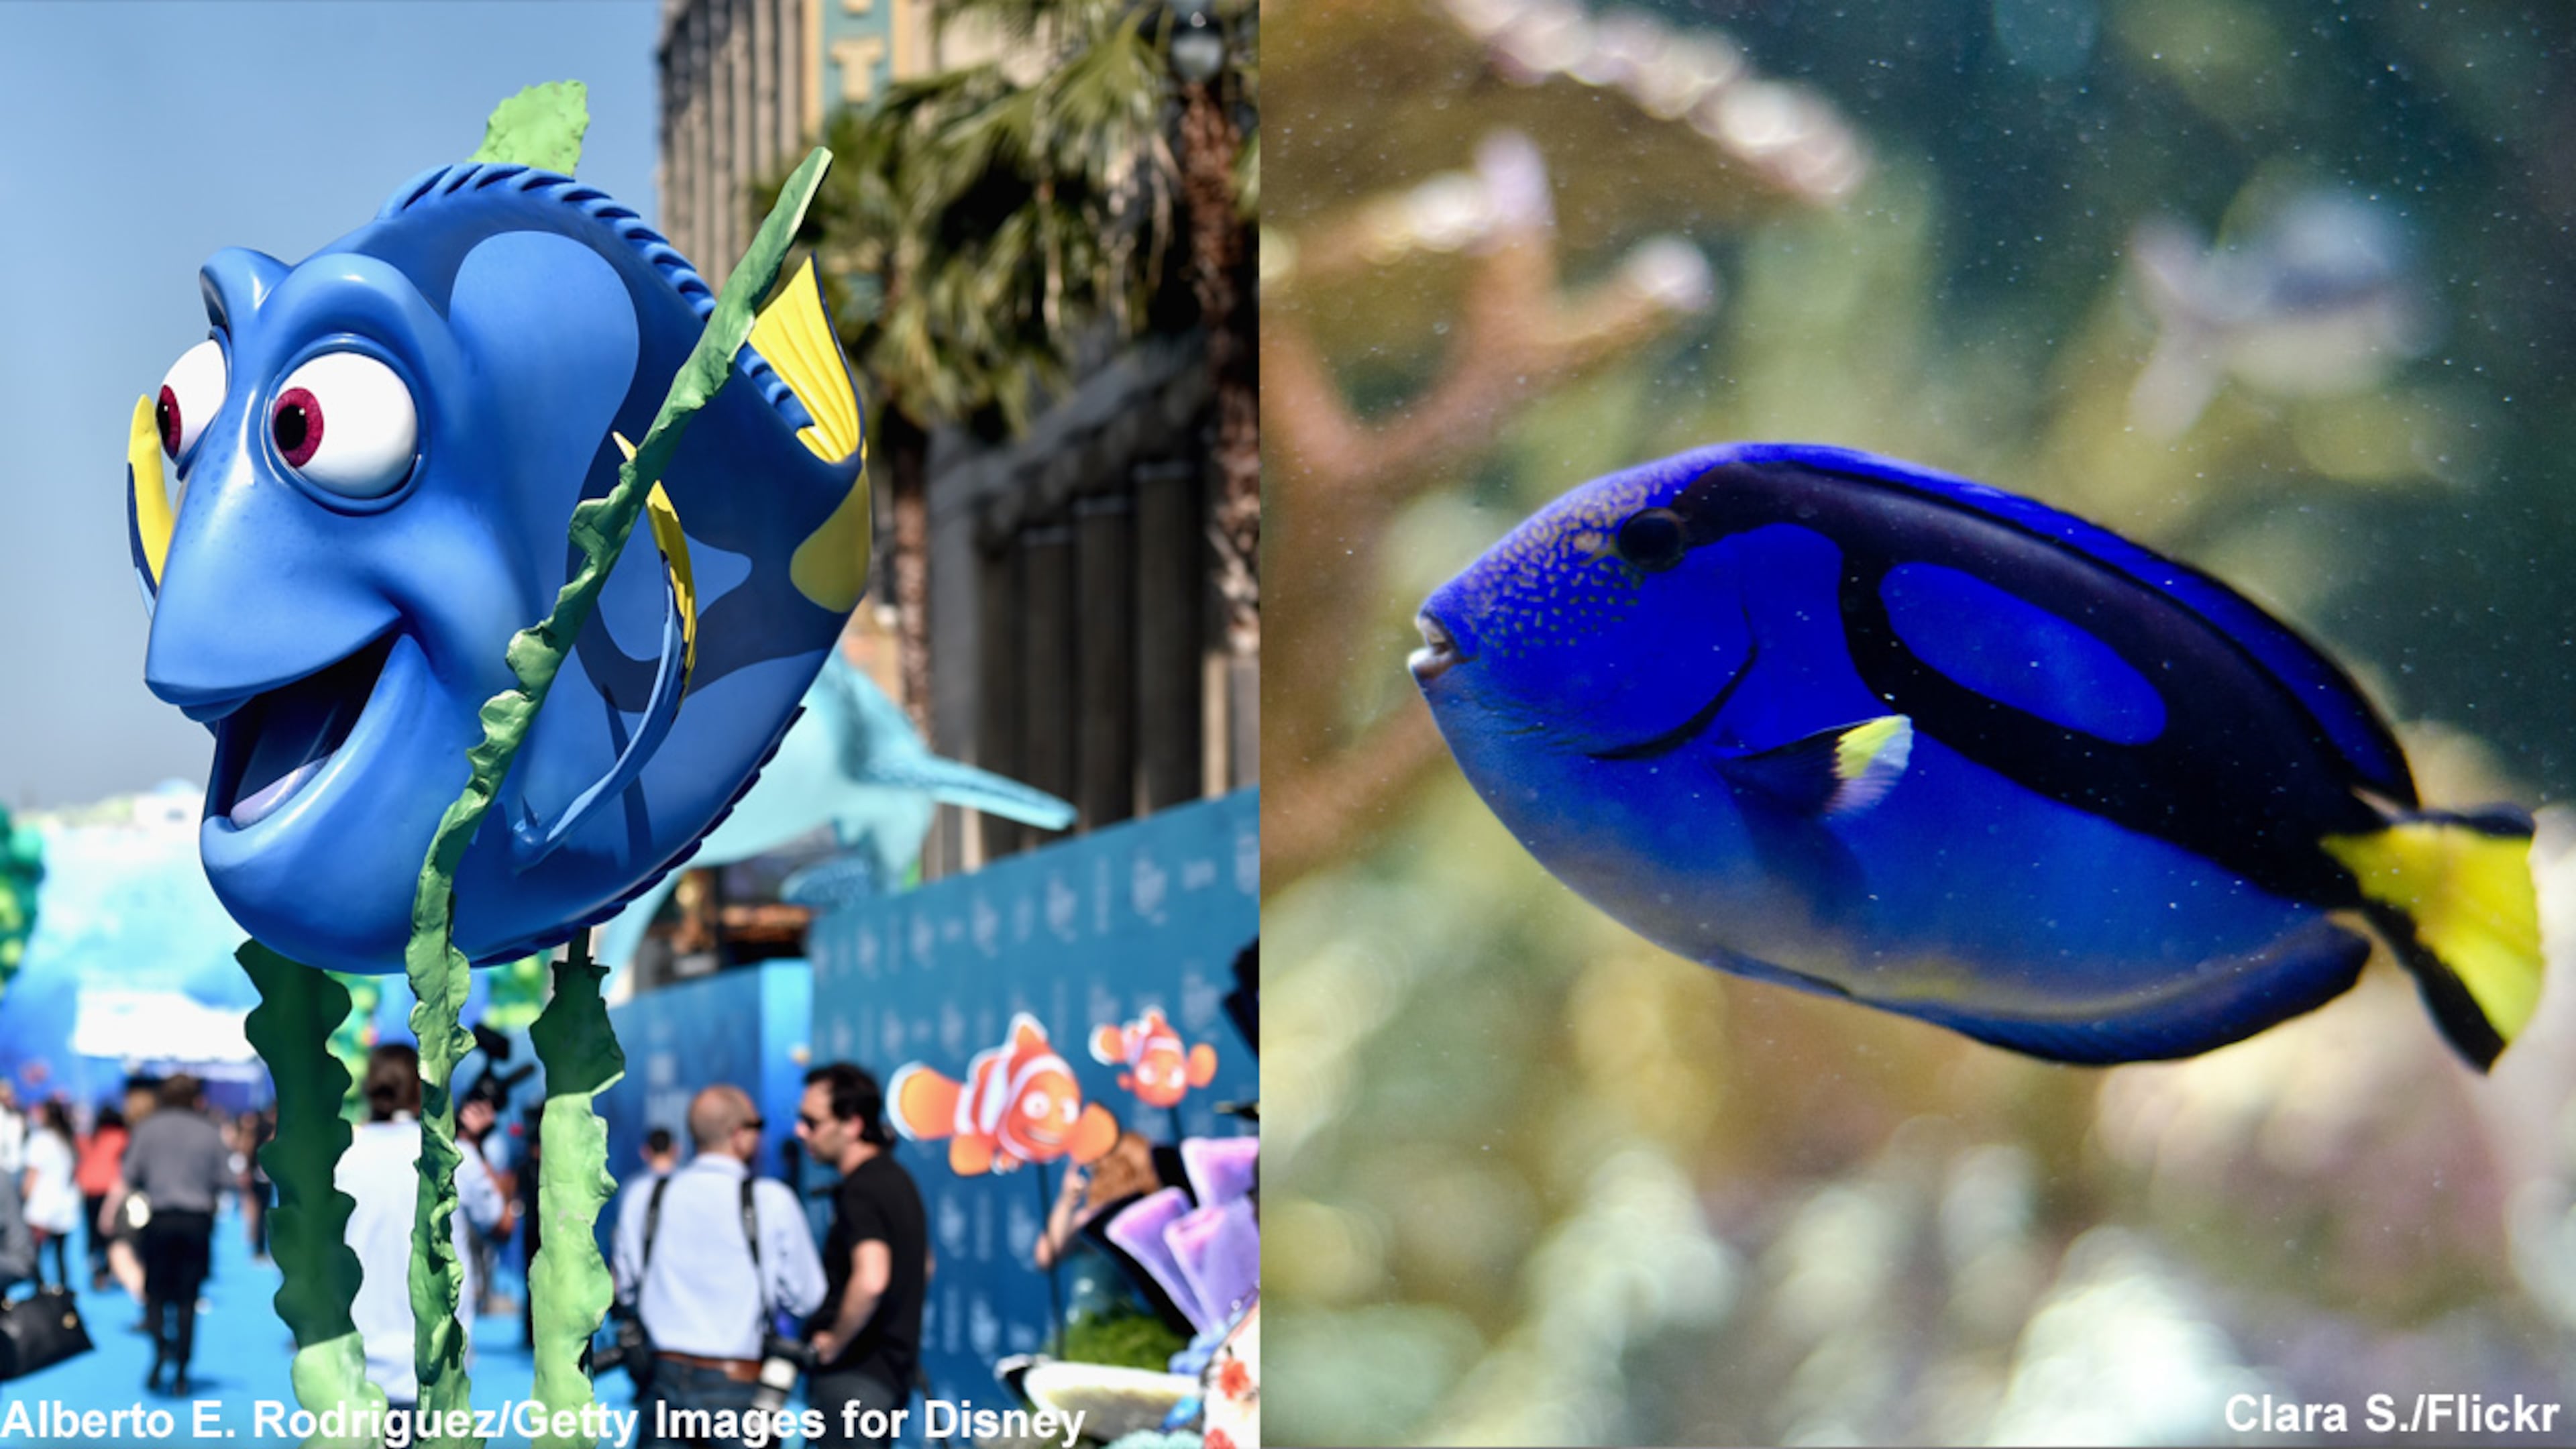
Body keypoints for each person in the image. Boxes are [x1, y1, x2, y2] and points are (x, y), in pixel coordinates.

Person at [614, 1086, 822, 1449]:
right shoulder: (772, 1201)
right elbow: (807, 1298)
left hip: (661, 1378)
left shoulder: (645, 1196)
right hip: (739, 1387)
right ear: (739, 1134)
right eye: (758, 1126)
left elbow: (624, 1289)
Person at [337, 1044, 507, 1409]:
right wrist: (473, 1145)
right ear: (422, 1090)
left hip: (355, 1369)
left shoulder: (342, 1160)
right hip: (436, 1372)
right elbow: (502, 1223)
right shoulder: (453, 1156)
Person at [795, 1064, 926, 1449]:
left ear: (852, 1124)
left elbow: (872, 1278)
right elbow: (925, 1265)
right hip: (889, 1377)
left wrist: (833, 1342)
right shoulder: (898, 1180)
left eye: (811, 1122)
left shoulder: (863, 1190)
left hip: (856, 1377)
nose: (800, 1132)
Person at [122, 1074, 231, 1394]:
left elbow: (131, 1173)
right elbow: (226, 1179)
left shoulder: (148, 1129)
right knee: (187, 1298)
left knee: (155, 1294)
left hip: (160, 1219)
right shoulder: (210, 1132)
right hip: (196, 1222)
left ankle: (159, 1351)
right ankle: (183, 1371)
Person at [21, 1099, 80, 1289]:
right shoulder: (67, 1140)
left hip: (41, 1208)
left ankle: (41, 1295)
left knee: (34, 1255)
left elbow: (32, 1176)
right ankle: (63, 1296)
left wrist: (22, 1198)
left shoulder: (41, 1140)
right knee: (61, 1256)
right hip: (64, 1205)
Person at [75, 1104, 128, 1289]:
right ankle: (111, 1269)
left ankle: (98, 1271)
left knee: (93, 1234)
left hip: (89, 1190)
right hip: (110, 1191)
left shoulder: (93, 1138)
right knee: (112, 1233)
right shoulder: (121, 1137)